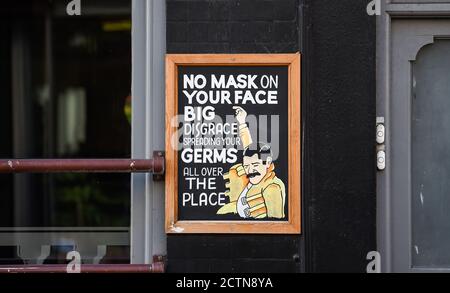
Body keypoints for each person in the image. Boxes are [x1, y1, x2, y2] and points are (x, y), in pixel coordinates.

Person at [217, 106, 286, 219]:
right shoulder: (259, 175)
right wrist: (242, 122)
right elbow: (248, 147)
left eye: (255, 165)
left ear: (267, 163)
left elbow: (275, 223)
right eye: (246, 166)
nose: (250, 170)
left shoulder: (272, 187)